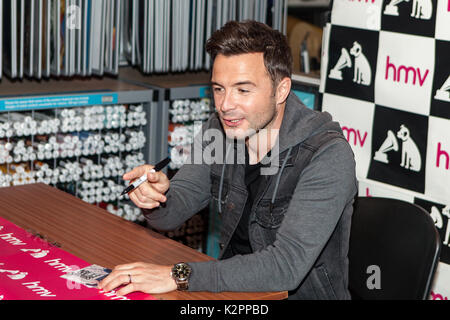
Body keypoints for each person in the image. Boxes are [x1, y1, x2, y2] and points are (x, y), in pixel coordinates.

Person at [98, 20, 357, 299]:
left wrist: (179, 275)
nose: (225, 105)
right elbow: (174, 211)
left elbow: (287, 265)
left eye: (243, 90)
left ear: (281, 90)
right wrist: (157, 196)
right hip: (231, 292)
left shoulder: (327, 154)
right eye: (219, 88)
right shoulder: (218, 131)